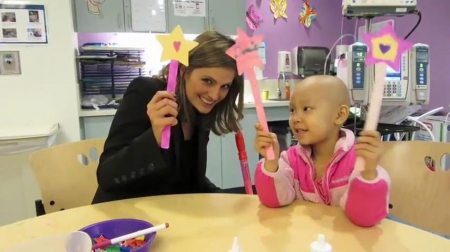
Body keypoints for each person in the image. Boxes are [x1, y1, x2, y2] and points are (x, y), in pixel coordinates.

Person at [92, 31, 244, 204]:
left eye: (225, 86)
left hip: (167, 218)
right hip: (121, 219)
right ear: (185, 71)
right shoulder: (146, 92)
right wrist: (154, 136)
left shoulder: (198, 111)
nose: (215, 95)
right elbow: (106, 176)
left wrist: (232, 201)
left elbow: (192, 182)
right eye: (207, 81)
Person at [253, 75, 390, 227]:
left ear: (339, 115)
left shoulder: (359, 162)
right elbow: (273, 201)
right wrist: (271, 163)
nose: (296, 118)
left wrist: (369, 174)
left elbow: (364, 218)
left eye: (306, 109)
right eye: (292, 110)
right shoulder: (290, 159)